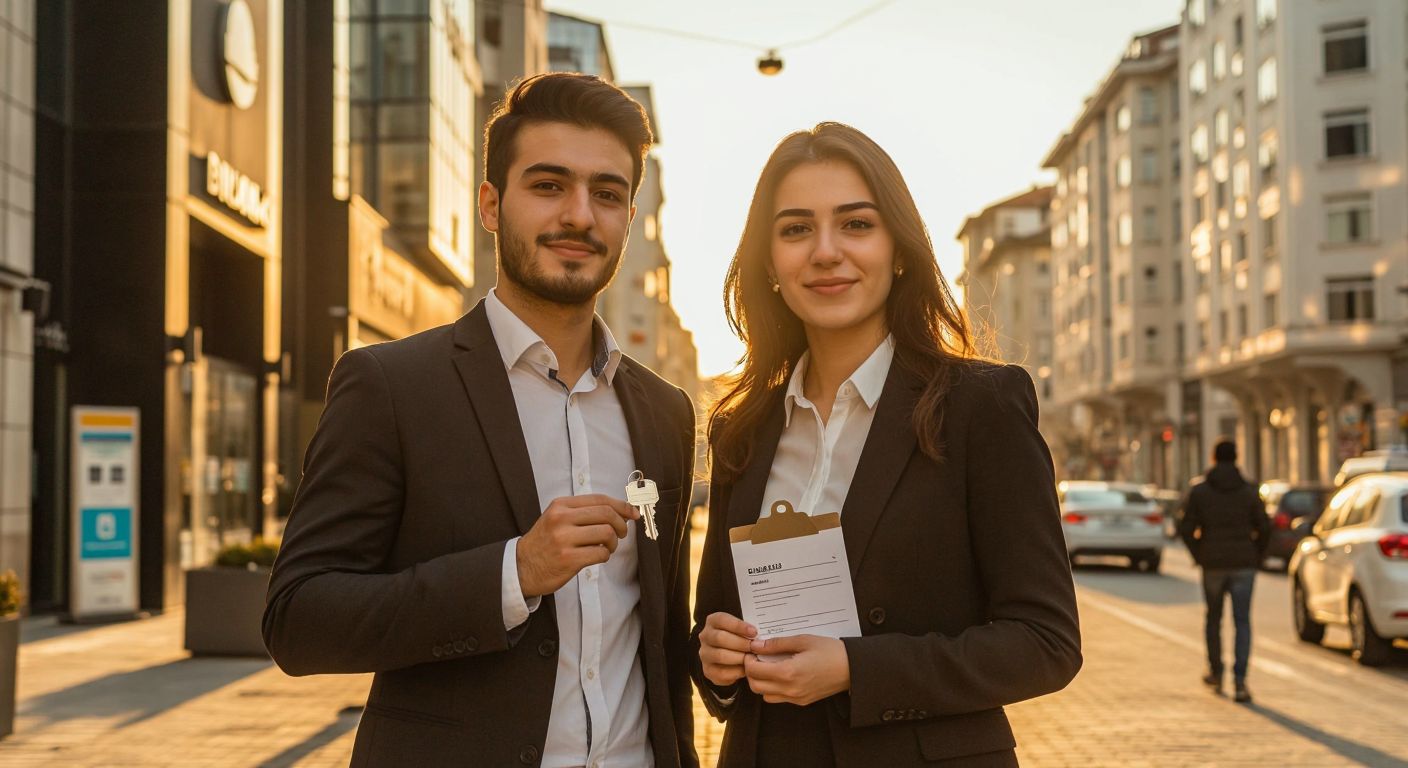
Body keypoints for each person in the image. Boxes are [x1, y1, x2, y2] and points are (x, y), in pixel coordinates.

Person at [263, 73, 699, 767]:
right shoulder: (391, 386)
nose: (581, 216)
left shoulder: (666, 411)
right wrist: (513, 574)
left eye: (607, 194)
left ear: (629, 218)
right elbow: (300, 620)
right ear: (492, 206)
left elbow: (662, 640)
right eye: (549, 185)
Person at [690, 123, 1082, 767]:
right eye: (794, 229)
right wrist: (715, 658)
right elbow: (714, 631)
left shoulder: (980, 405)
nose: (824, 251)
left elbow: (1046, 643)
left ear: (898, 248)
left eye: (856, 225)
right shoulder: (743, 426)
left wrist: (855, 667)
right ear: (768, 262)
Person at [1177, 438, 1268, 704]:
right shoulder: (1250, 490)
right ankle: (1240, 682)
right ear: (1236, 457)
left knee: (1213, 619)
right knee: (1242, 622)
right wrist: (1256, 556)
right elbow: (1265, 527)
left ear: (1214, 458)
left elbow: (1185, 527)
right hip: (1243, 564)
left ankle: (1216, 673)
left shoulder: (1201, 490)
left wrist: (1199, 553)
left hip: (1213, 564)